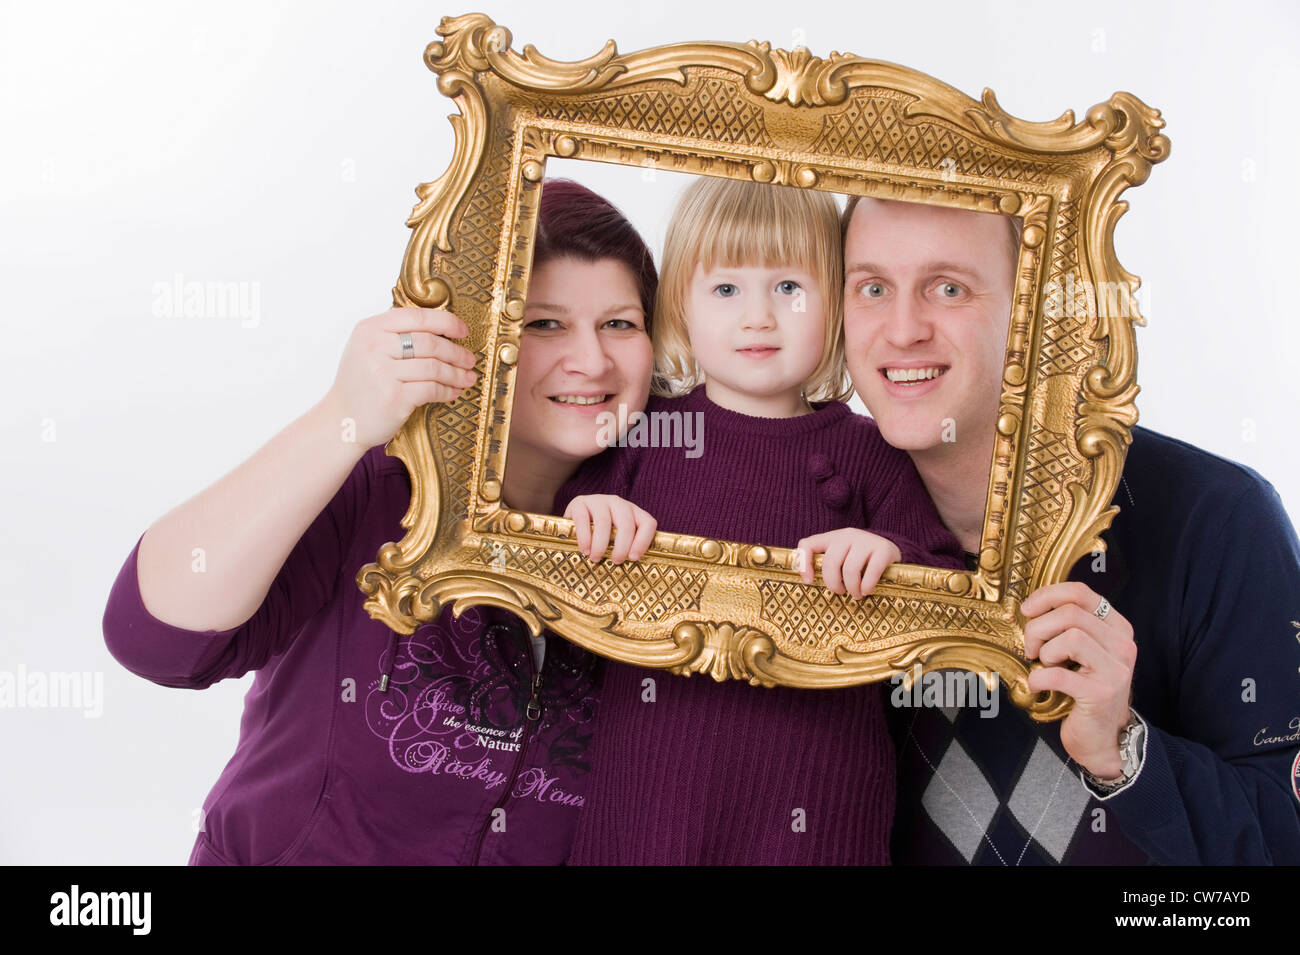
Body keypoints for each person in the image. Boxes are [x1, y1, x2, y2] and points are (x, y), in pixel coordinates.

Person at [100, 179, 659, 865]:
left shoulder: (666, 524)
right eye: (543, 323)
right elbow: (154, 638)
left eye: (620, 323)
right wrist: (343, 416)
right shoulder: (377, 485)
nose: (592, 361)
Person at [841, 194, 1300, 864]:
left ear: (1034, 311)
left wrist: (1126, 751)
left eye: (949, 288)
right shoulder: (815, 519)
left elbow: (1283, 838)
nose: (903, 329)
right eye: (873, 288)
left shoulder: (1217, 518)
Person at [554, 176, 965, 865]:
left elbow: (949, 581)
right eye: (726, 289)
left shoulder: (871, 452)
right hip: (648, 810)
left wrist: (889, 556)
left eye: (789, 288)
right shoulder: (645, 434)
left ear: (836, 305)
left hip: (817, 816)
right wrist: (587, 513)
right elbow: (551, 557)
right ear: (680, 306)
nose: (758, 318)